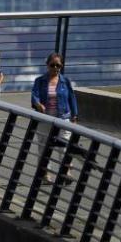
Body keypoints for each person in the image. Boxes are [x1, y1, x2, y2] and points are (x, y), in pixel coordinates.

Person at [30, 52, 79, 185]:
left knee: (64, 145)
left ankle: (66, 172)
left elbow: (71, 98)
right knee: (44, 146)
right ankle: (45, 173)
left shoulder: (65, 81)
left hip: (63, 117)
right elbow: (34, 95)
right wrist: (38, 104)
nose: (55, 68)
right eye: (53, 65)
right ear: (47, 65)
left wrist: (74, 116)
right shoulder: (39, 81)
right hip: (45, 118)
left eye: (58, 65)